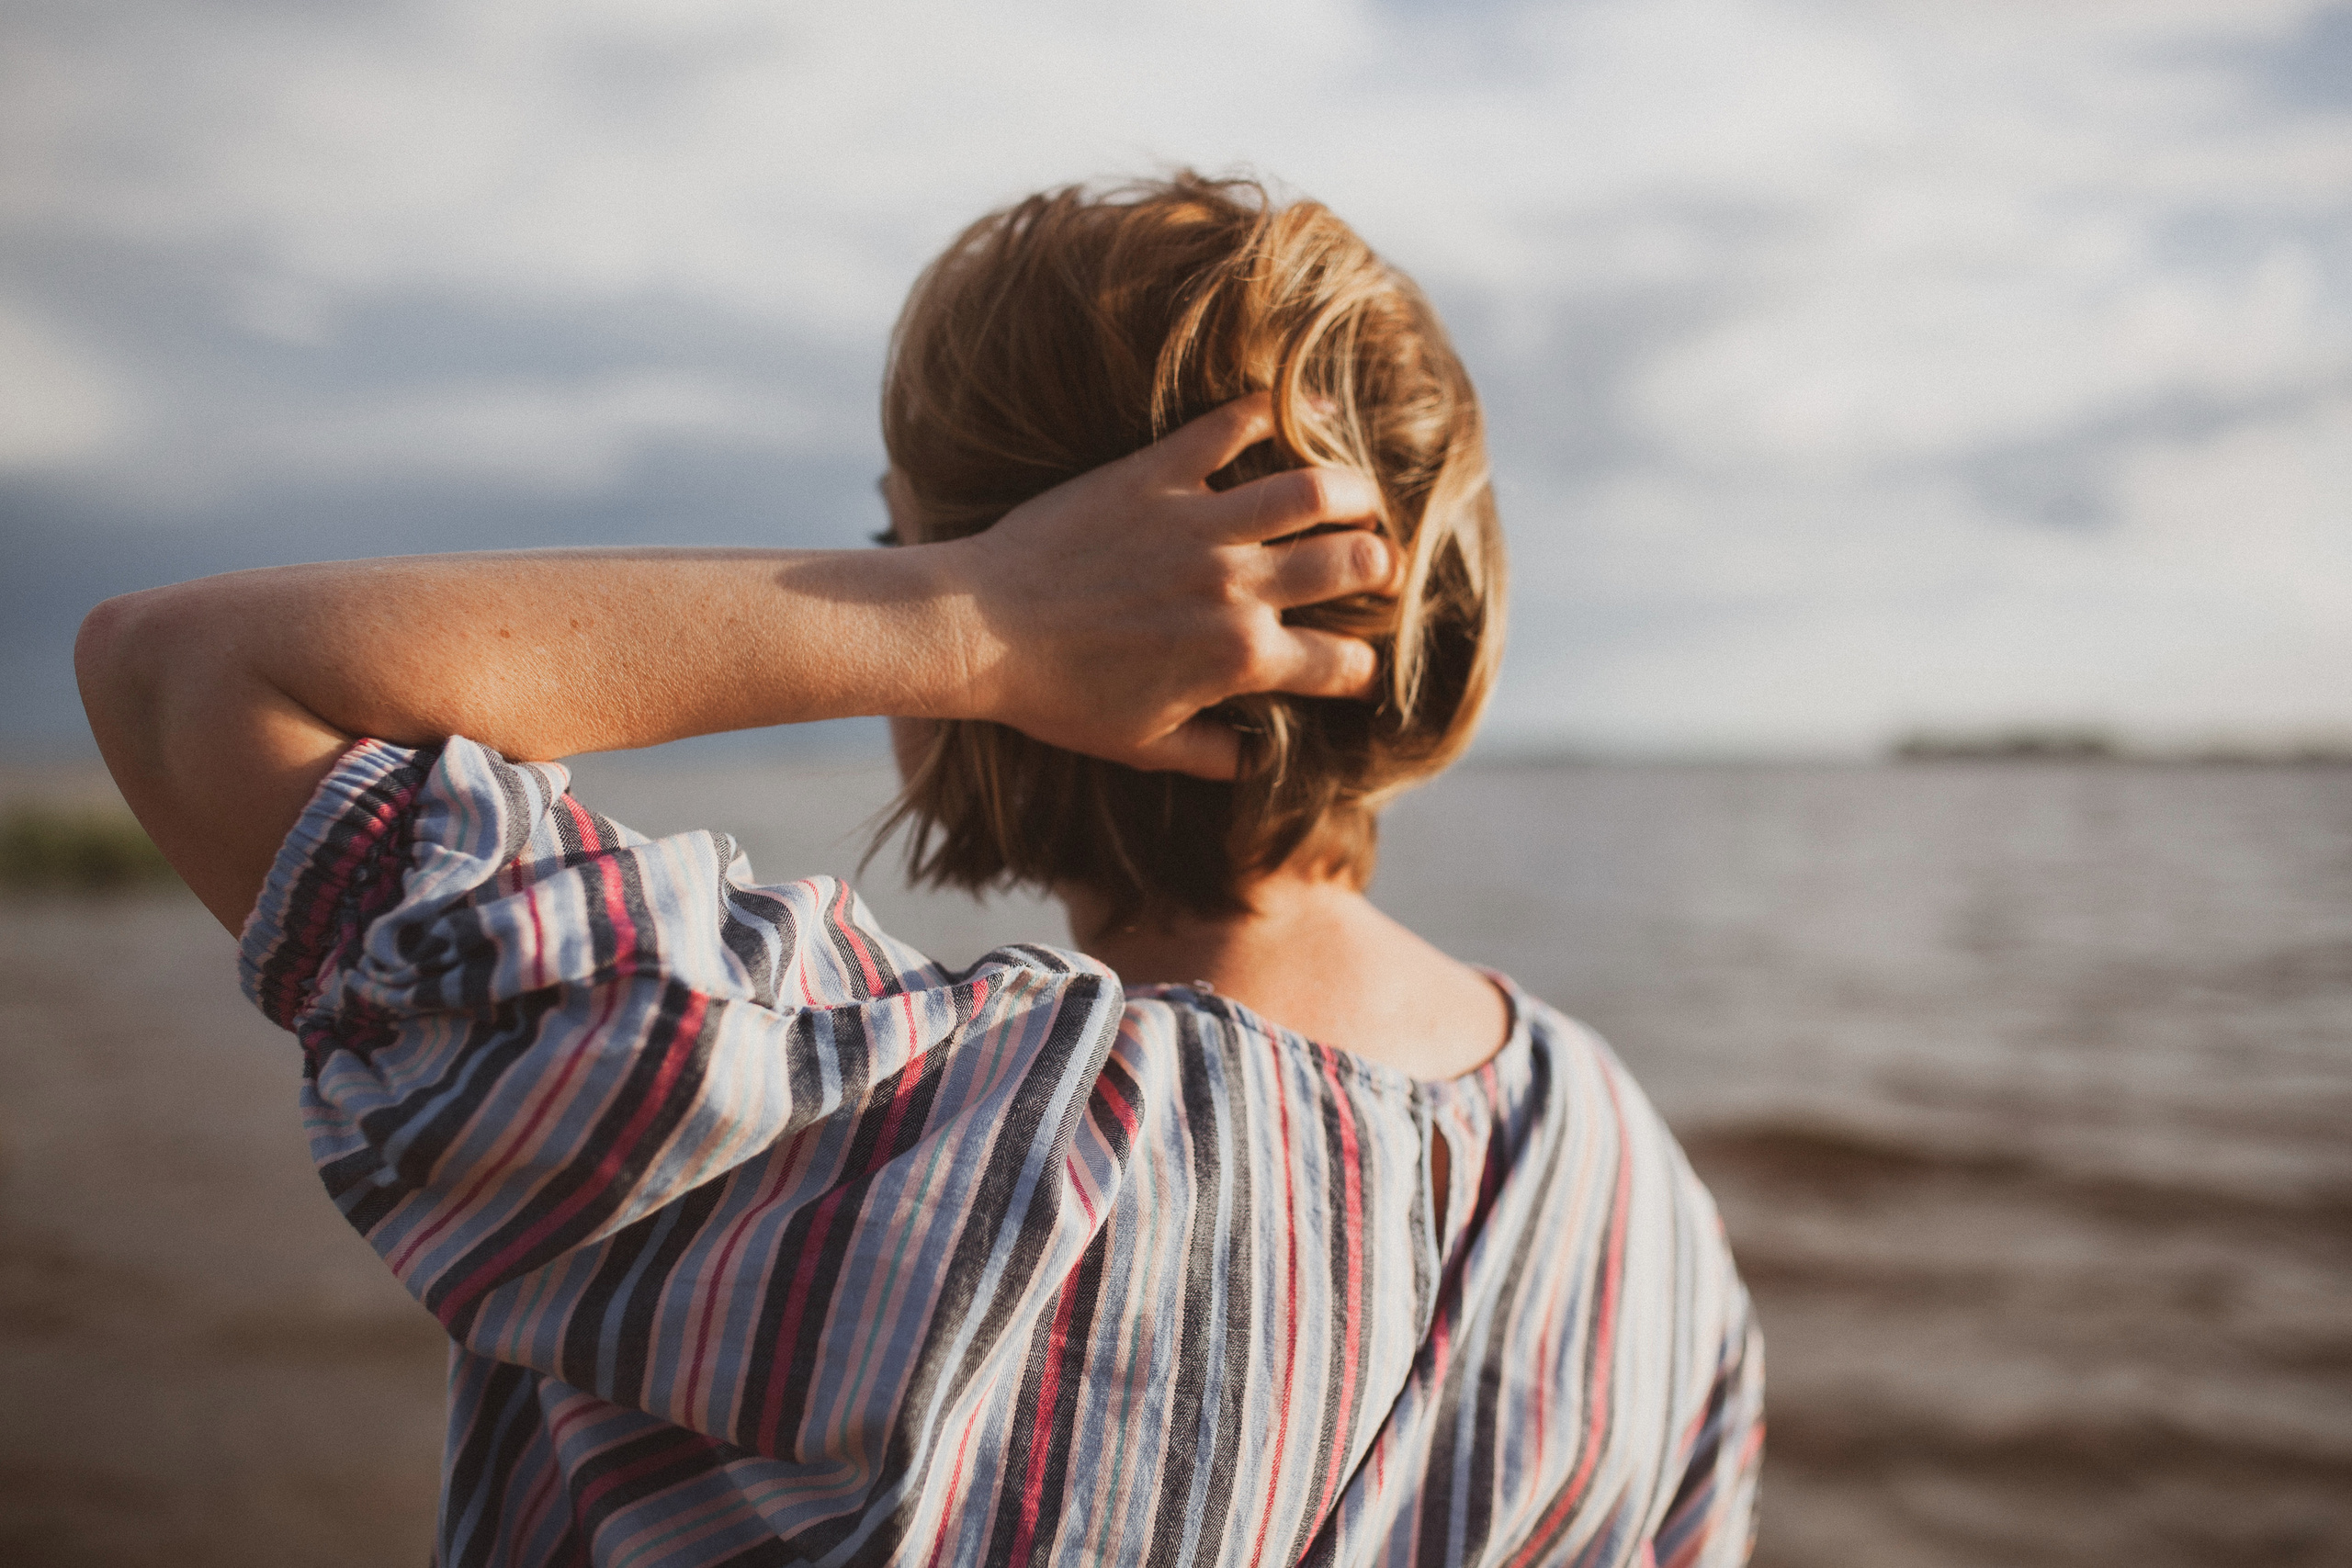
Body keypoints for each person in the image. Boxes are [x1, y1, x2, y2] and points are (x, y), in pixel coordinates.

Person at [76, 174, 1761, 1567]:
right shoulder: (1638, 1193)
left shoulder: (902, 1134)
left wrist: (970, 613)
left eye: (912, 541)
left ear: (1075, 607)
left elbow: (185, 675)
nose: (920, 597)